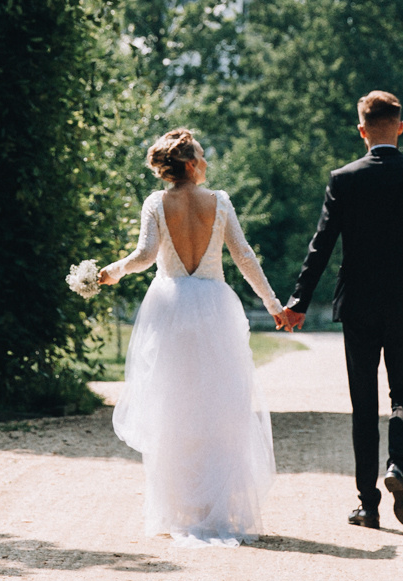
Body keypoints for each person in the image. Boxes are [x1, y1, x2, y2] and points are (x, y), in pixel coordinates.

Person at [99, 128, 286, 544]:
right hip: (214, 309)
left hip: (169, 310)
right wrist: (274, 305)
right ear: (188, 164)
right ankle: (213, 507)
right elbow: (243, 256)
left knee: (173, 408)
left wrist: (113, 271)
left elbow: (145, 257)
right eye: (201, 156)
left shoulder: (156, 203)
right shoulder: (218, 201)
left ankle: (179, 508)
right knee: (219, 409)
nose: (206, 163)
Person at [274, 90, 403, 529]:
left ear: (362, 130)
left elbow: (322, 245)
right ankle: (397, 468)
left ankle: (368, 506)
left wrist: (298, 303)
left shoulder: (344, 178)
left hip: (359, 306)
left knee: (364, 405)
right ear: (400, 127)